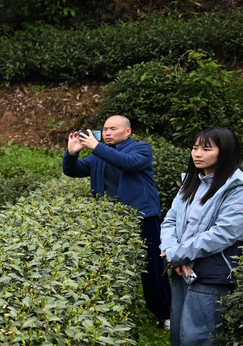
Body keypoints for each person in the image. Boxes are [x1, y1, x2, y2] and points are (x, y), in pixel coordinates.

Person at [159, 127, 243, 346]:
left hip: (211, 271)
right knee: (181, 330)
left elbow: (225, 233)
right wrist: (171, 252)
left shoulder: (236, 188)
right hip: (181, 267)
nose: (197, 154)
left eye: (206, 148)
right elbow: (169, 221)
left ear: (224, 152)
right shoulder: (191, 182)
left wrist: (177, 253)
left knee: (198, 335)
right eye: (195, 147)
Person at [63, 114, 171, 323]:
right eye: (104, 130)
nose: (107, 133)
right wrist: (71, 153)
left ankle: (166, 313)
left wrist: (96, 147)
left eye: (113, 129)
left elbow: (128, 163)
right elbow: (73, 171)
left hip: (142, 216)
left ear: (127, 131)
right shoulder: (99, 154)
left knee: (153, 267)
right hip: (111, 220)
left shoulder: (141, 148)